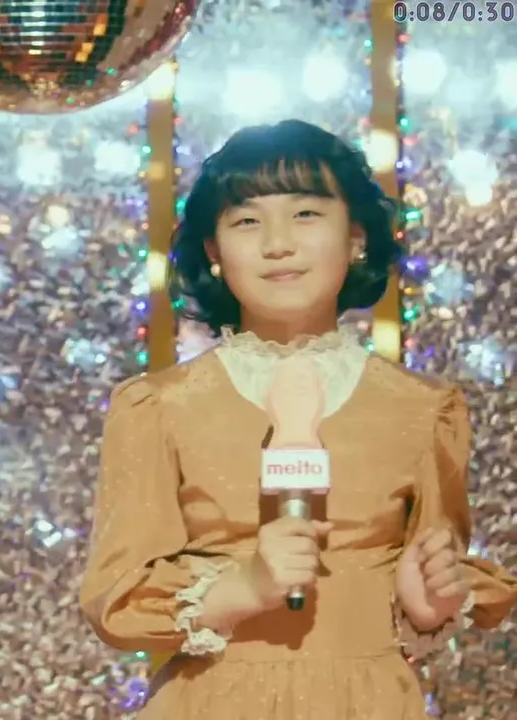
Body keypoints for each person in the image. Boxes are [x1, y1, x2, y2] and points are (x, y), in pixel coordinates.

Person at [80, 119, 516, 719]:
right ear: (214, 251)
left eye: (306, 214)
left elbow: (434, 567)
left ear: (356, 235)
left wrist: (425, 605)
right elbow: (119, 595)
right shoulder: (159, 406)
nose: (277, 243)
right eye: (246, 221)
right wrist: (243, 587)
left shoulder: (423, 409)